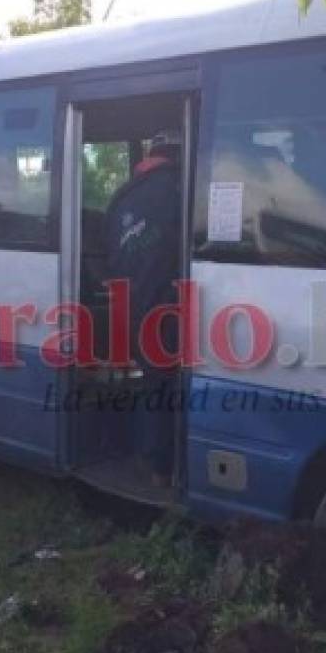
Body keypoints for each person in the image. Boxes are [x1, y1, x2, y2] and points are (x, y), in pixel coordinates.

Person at [104, 130, 182, 486]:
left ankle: (151, 461)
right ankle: (160, 466)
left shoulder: (123, 196)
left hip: (130, 304)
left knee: (149, 381)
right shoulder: (181, 190)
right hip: (171, 306)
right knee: (167, 386)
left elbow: (112, 253)